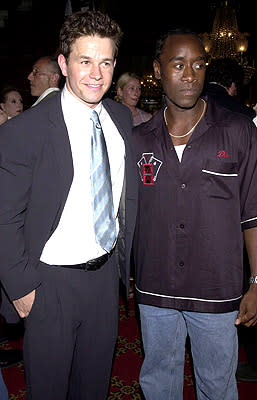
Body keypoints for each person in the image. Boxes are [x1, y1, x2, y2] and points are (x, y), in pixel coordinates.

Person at [0, 9, 137, 400]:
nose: (96, 74)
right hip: (49, 284)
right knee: (48, 390)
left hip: (105, 281)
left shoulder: (119, 119)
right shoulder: (23, 131)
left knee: (94, 387)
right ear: (63, 63)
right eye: (85, 61)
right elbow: (4, 217)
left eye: (106, 62)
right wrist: (22, 287)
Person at [132, 28, 257, 400]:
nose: (190, 74)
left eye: (199, 64)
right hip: (155, 288)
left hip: (216, 288)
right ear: (158, 69)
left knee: (218, 385)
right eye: (178, 64)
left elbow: (253, 211)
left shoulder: (237, 131)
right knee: (157, 384)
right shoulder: (138, 140)